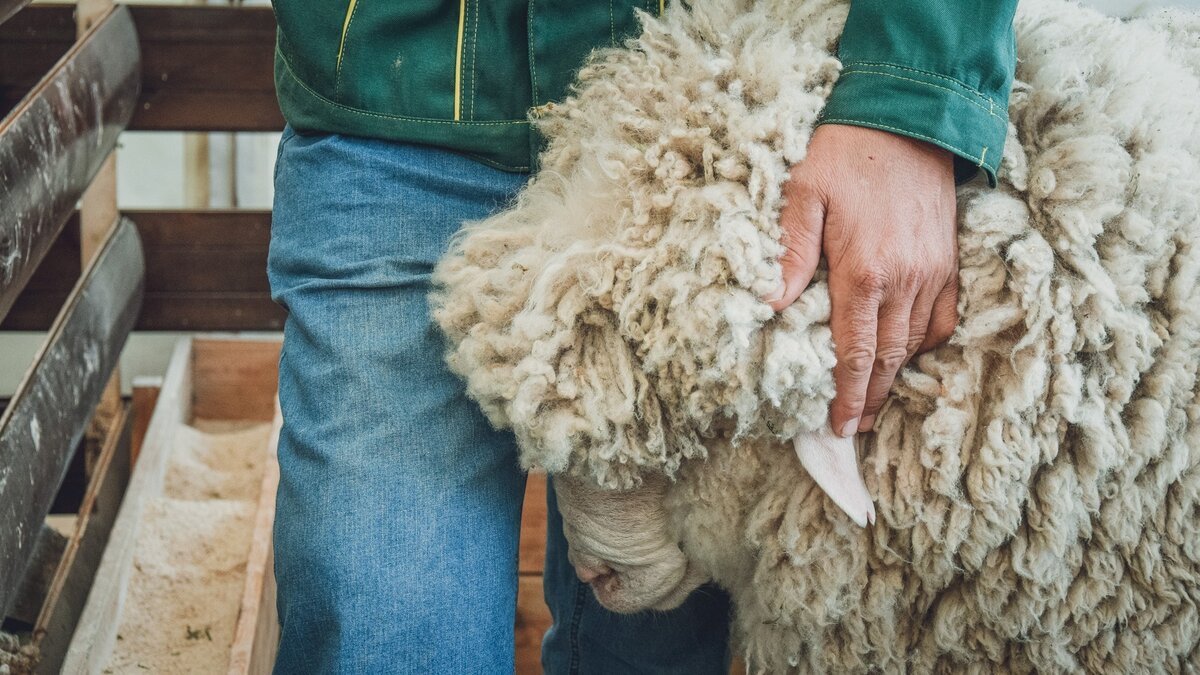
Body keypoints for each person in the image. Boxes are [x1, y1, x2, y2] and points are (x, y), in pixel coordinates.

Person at [265, 1, 1019, 672]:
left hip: (721, 115)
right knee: (384, 627)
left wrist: (911, 91)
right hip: (405, 102)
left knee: (653, 646)